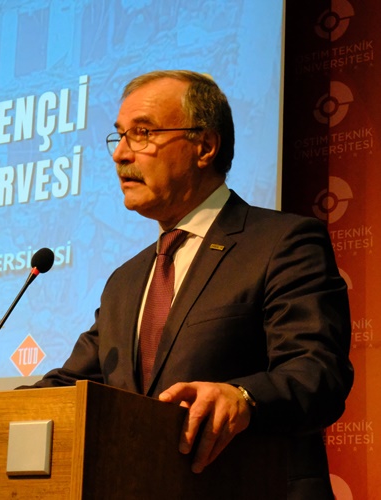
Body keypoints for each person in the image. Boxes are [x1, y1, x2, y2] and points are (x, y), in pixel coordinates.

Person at [27, 70, 353, 498]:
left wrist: (244, 396)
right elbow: (70, 386)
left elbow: (318, 372)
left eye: (142, 133)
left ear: (205, 147)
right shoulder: (125, 281)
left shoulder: (282, 243)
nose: (120, 154)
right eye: (120, 136)